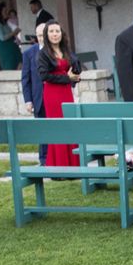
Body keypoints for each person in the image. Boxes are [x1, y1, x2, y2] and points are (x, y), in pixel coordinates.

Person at [36, 20, 81, 167]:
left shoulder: (66, 50)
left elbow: (75, 66)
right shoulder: (43, 54)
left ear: (62, 34)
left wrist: (75, 76)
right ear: (46, 34)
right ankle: (59, 166)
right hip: (52, 94)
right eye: (51, 31)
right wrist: (67, 78)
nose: (55, 34)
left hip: (66, 92)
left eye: (57, 31)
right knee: (58, 127)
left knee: (70, 125)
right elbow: (44, 76)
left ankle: (73, 165)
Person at [21, 23, 48, 165]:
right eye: (39, 36)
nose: (41, 38)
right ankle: (44, 160)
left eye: (44, 34)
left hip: (54, 98)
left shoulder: (58, 51)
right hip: (39, 99)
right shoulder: (29, 53)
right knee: (42, 130)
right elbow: (26, 79)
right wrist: (28, 100)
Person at [0, 3, 22, 70]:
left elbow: (10, 34)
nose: (6, 13)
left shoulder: (6, 23)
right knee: (10, 67)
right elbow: (2, 38)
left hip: (13, 48)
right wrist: (14, 32)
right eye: (5, 11)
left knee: (20, 66)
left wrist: (15, 33)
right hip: (6, 50)